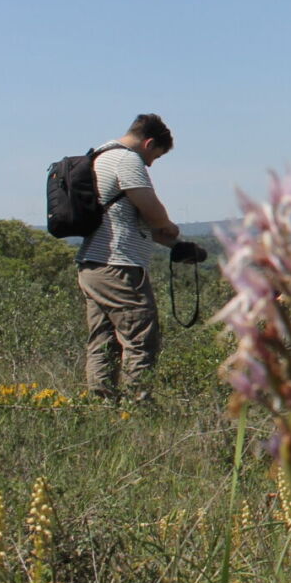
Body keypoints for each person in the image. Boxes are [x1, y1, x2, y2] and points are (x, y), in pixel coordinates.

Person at [76, 113, 186, 404]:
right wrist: (170, 228)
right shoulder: (127, 161)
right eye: (155, 156)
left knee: (103, 341)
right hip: (119, 266)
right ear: (149, 143)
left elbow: (127, 217)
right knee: (141, 339)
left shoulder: (99, 156)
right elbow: (152, 213)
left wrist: (174, 243)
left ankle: (101, 407)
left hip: (92, 264)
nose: (151, 164)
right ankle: (137, 407)